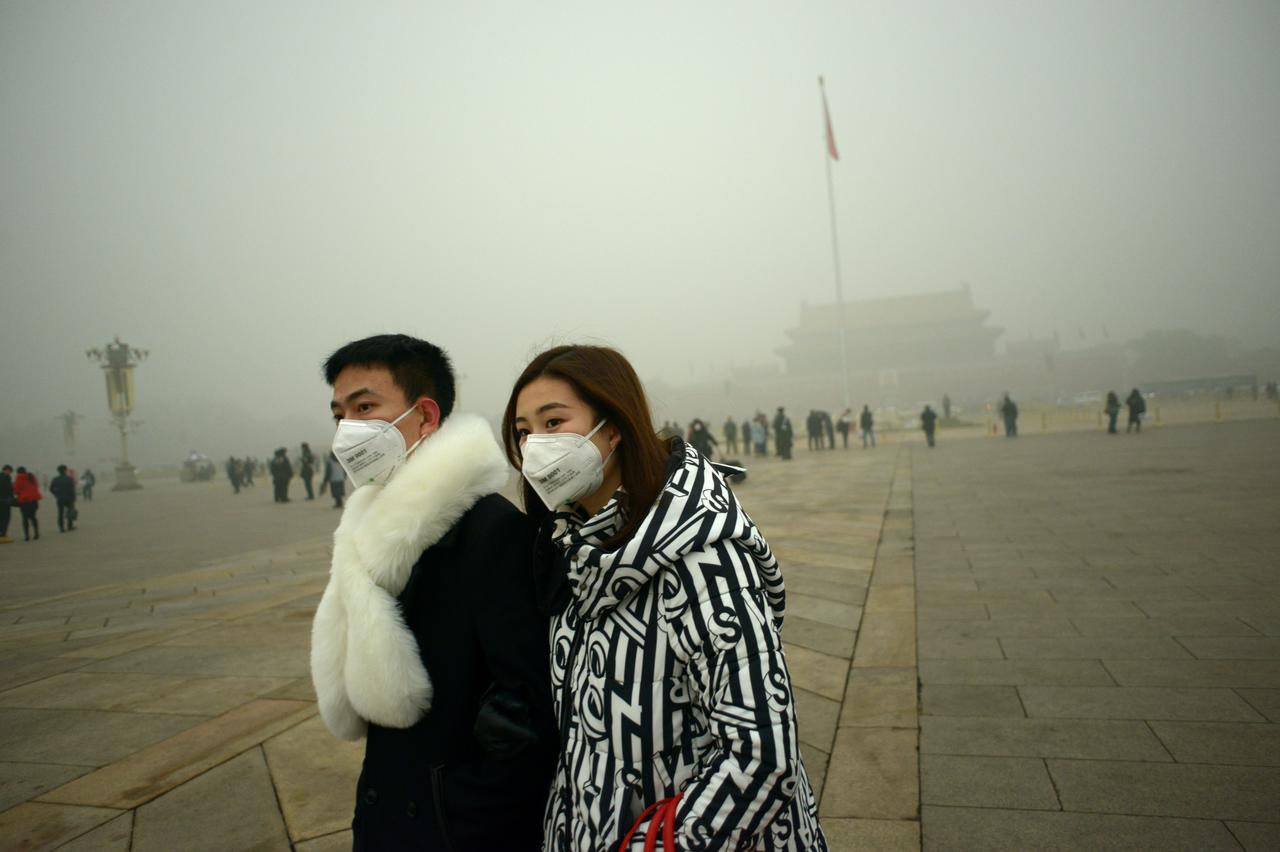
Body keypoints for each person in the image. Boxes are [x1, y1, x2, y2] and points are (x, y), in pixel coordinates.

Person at [503, 344, 826, 851]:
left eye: (553, 422)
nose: (535, 445)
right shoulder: (566, 555)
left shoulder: (707, 563)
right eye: (524, 432)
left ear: (613, 428)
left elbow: (762, 753)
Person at [311, 333, 554, 852]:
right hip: (393, 805)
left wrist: (466, 810)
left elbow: (528, 707)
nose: (347, 430)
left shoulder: (489, 530)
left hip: (454, 823)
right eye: (339, 415)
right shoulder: (366, 529)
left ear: (424, 415)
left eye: (366, 408)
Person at [13, 467, 41, 541]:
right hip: (34, 501)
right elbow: (36, 487)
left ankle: (27, 536)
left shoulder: (19, 478)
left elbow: (16, 491)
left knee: (25, 519)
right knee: (33, 517)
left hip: (25, 502)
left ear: (18, 472)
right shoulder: (31, 477)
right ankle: (36, 534)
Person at [50, 465, 77, 532]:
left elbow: (51, 489)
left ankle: (61, 528)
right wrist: (73, 497)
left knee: (60, 513)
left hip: (60, 498)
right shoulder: (69, 479)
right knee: (70, 511)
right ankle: (69, 526)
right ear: (65, 470)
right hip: (69, 498)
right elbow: (72, 489)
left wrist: (56, 494)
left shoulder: (55, 479)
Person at [0, 465, 13, 543]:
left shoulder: (6, 477)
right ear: (6, 470)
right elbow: (8, 489)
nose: (9, 473)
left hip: (4, 500)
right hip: (5, 500)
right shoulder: (5, 478)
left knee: (2, 517)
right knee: (6, 517)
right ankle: (3, 533)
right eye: (9, 471)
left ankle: (2, 532)